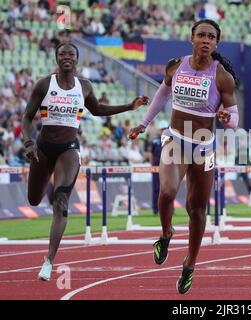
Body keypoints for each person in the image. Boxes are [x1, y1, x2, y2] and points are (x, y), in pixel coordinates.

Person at [129, 19, 239, 294]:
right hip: (176, 139)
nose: (205, 40)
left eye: (211, 37)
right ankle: (166, 233)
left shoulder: (222, 75)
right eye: (201, 35)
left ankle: (190, 263)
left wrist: (227, 117)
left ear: (216, 43)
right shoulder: (176, 65)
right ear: (191, 38)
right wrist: (144, 123)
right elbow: (163, 93)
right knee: (167, 192)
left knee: (197, 210)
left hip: (204, 146)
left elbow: (234, 117)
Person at [21, 43, 148, 281]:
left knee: (61, 202)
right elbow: (26, 118)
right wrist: (29, 143)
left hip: (69, 149)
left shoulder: (85, 87)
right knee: (34, 200)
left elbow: (98, 110)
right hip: (43, 149)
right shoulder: (44, 85)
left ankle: (48, 261)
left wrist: (129, 107)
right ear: (56, 58)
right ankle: (50, 183)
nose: (66, 57)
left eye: (70, 54)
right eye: (62, 54)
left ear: (77, 59)